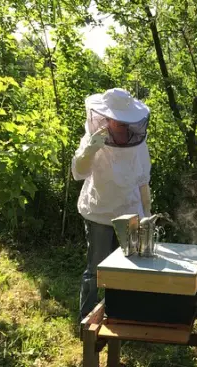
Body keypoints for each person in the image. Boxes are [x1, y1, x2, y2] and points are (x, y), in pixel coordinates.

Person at [72, 88, 152, 321]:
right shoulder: (92, 138)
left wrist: (146, 211)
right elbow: (79, 172)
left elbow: (143, 178)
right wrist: (88, 151)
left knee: (130, 269)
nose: (124, 126)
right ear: (106, 119)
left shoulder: (138, 142)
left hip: (130, 212)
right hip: (98, 212)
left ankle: (123, 316)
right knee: (95, 270)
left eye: (127, 122)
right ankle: (86, 320)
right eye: (119, 121)